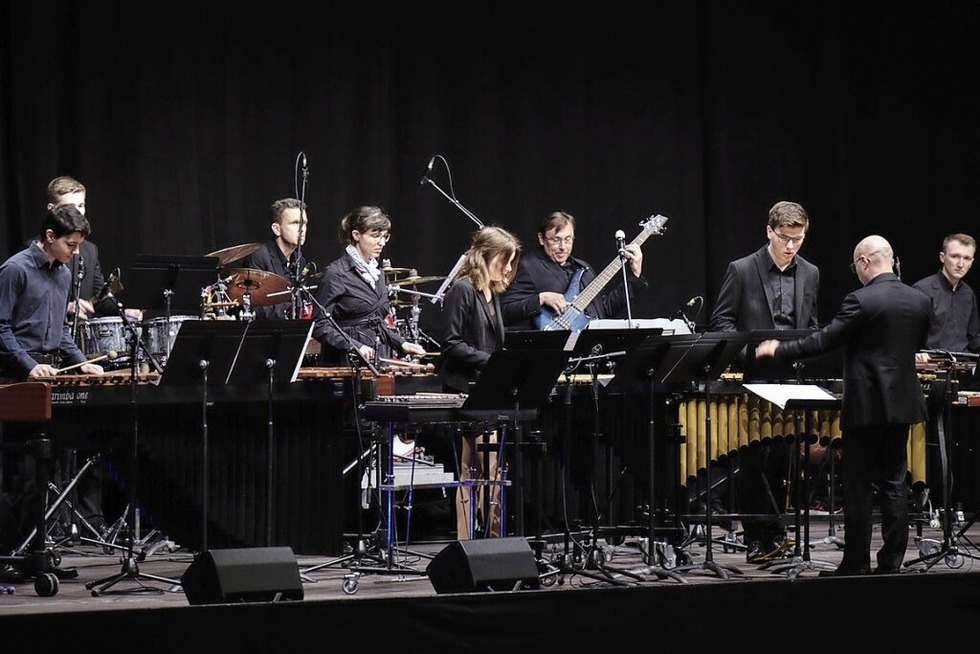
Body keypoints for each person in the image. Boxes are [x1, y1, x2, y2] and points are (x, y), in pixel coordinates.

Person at [755, 235, 931, 576]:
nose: (856, 273)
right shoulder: (920, 300)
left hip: (866, 406)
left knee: (859, 487)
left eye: (856, 266)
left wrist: (779, 349)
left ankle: (856, 564)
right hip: (903, 405)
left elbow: (825, 340)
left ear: (865, 262)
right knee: (895, 485)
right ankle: (891, 564)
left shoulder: (862, 301)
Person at [709, 200, 819, 563]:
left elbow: (812, 325)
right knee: (754, 462)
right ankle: (756, 537)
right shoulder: (741, 270)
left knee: (784, 461)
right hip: (752, 381)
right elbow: (721, 324)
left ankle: (778, 532)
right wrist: (751, 355)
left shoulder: (811, 273)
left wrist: (802, 350)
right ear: (769, 231)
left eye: (798, 239)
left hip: (793, 378)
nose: (790, 246)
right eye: (784, 238)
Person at [0, 204, 105, 581]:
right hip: (14, 379)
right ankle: (6, 556)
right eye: (71, 245)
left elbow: (60, 330)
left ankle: (34, 552)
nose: (76, 253)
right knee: (19, 474)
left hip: (48, 376)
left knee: (47, 470)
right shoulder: (15, 270)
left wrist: (82, 360)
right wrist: (29, 365)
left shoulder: (63, 273)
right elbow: (0, 329)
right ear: (49, 237)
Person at [435, 225, 522, 538]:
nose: (509, 268)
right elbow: (451, 343)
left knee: (494, 469)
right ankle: (466, 540)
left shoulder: (492, 293)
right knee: (469, 471)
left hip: (488, 390)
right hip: (463, 390)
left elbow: (494, 342)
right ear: (486, 256)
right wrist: (493, 363)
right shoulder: (463, 289)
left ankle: (492, 538)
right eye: (505, 260)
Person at [310, 205, 426, 367]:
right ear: (356, 235)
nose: (382, 242)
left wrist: (401, 344)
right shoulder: (336, 274)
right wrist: (354, 346)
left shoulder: (378, 276)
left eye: (385, 236)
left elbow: (376, 322)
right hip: (346, 362)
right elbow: (319, 326)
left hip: (377, 357)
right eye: (375, 236)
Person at [500, 210, 646, 331]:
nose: (563, 246)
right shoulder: (529, 266)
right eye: (556, 240)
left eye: (568, 239)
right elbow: (504, 312)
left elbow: (606, 310)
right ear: (541, 238)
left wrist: (635, 275)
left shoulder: (583, 268)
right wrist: (541, 298)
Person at [242, 198, 312, 320]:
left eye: (304, 223)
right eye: (295, 223)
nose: (302, 229)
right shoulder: (259, 257)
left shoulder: (300, 260)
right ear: (276, 229)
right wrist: (291, 310)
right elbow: (255, 307)